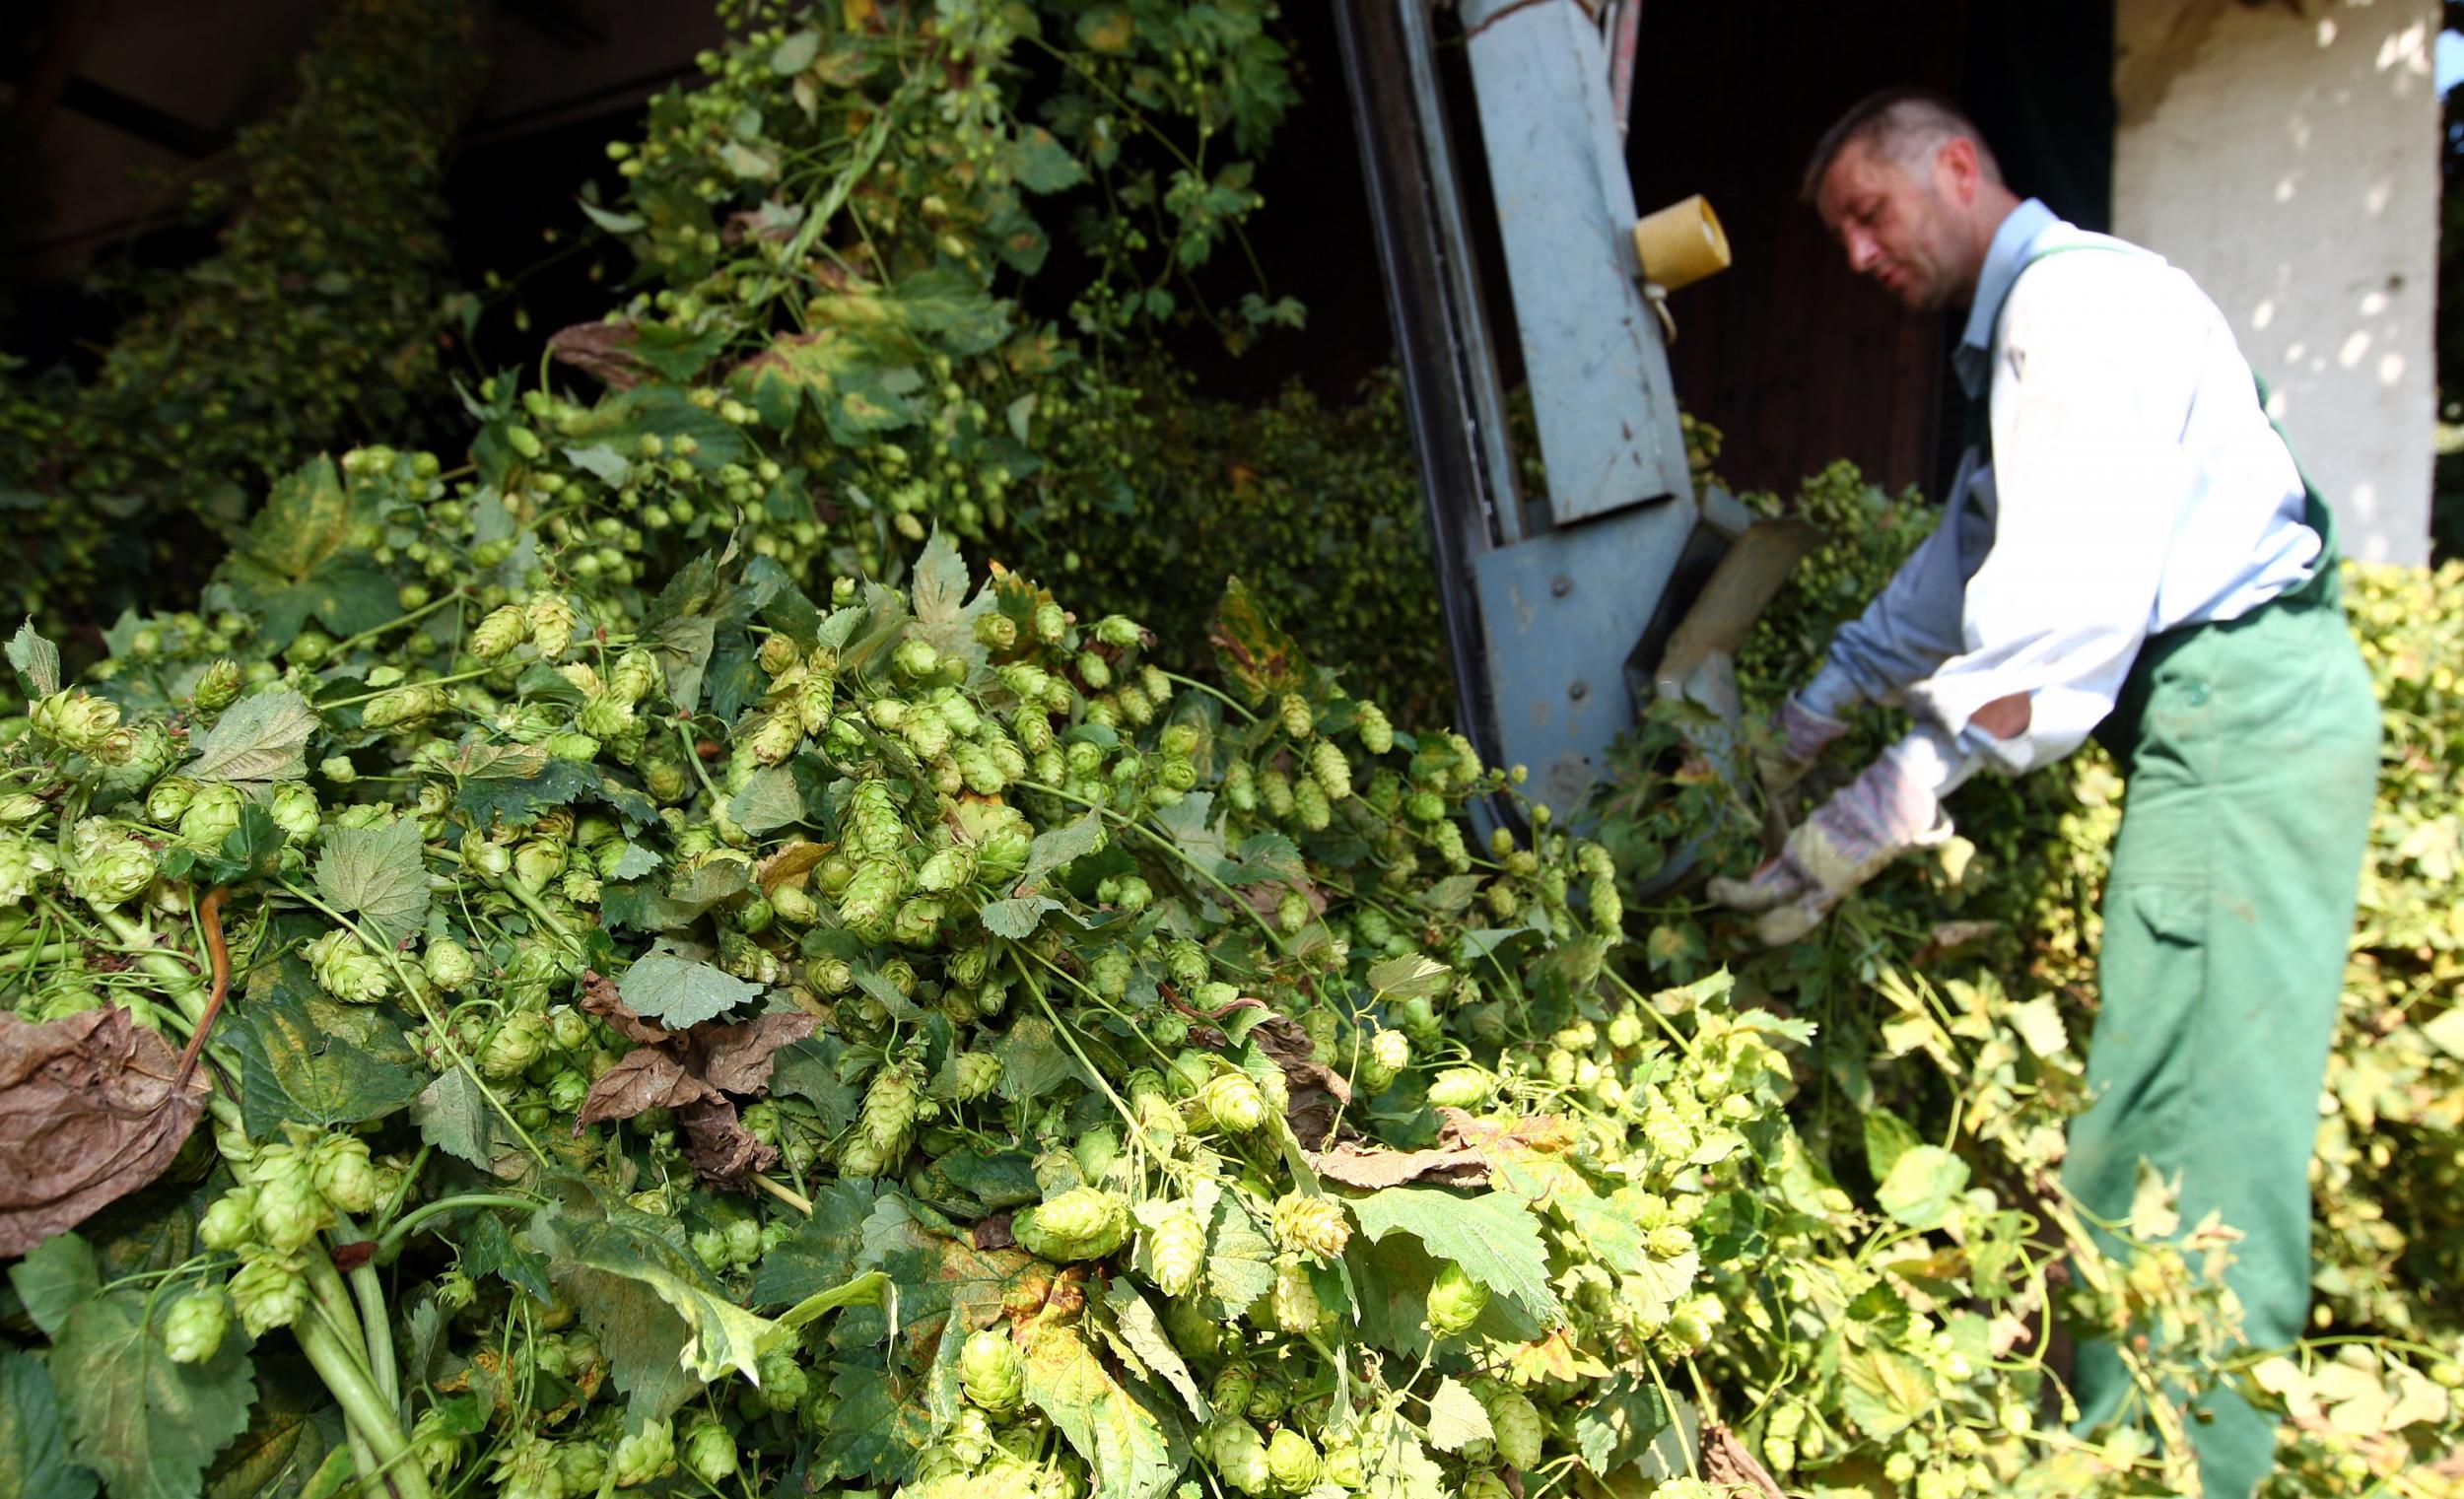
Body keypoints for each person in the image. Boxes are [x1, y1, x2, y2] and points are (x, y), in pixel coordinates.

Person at [1709, 89, 2380, 1495]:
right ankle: (2121, 1451)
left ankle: (2173, 1468)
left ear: (1959, 170)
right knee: (2146, 1113)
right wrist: (1809, 717)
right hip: (2230, 716)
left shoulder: (2064, 316)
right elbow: (1955, 576)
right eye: (1838, 232)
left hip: (2245, 719)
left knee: (2186, 1138)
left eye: (1868, 214)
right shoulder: (2032, 332)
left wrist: (1883, 801)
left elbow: (2061, 619)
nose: (1854, 254)